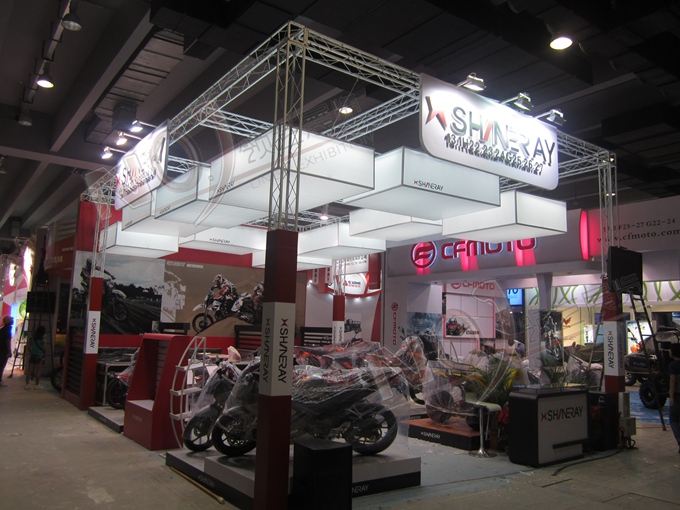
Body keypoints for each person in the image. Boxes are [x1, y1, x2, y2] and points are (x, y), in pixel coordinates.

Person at [25, 325, 46, 390]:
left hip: (33, 355)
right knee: (38, 371)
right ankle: (37, 384)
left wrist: (31, 351)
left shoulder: (32, 338)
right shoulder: (43, 339)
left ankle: (27, 384)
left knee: (29, 370)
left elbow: (28, 347)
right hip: (40, 356)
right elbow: (44, 348)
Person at [669, 343, 680, 454]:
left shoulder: (673, 365)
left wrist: (671, 396)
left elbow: (673, 380)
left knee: (673, 419)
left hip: (677, 395)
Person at [0, 316, 14, 386]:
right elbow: (8, 342)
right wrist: (10, 351)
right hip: (3, 351)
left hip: (1, 349)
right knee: (2, 365)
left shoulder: (2, 330)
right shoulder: (8, 330)